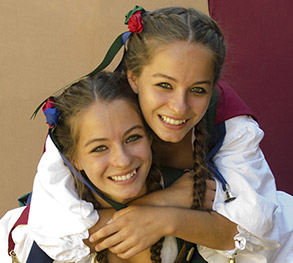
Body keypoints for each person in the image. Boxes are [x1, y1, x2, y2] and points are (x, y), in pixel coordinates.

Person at [4, 5, 292, 263]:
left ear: (214, 87)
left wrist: (166, 217)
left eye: (198, 90)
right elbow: (53, 228)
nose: (179, 107)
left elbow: (256, 227)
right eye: (164, 86)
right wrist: (177, 196)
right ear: (133, 78)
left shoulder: (231, 124)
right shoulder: (98, 113)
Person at [0, 71, 204, 263]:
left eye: (133, 138)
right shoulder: (26, 233)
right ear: (73, 160)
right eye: (99, 148)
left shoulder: (197, 203)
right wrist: (162, 203)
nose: (122, 160)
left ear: (149, 136)